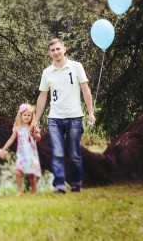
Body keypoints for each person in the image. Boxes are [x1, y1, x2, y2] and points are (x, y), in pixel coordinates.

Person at [31, 38, 95, 194]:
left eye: (58, 49)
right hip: (54, 119)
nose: (56, 52)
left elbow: (86, 91)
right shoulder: (47, 72)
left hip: (74, 117)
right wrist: (36, 120)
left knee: (74, 154)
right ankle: (59, 185)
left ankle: (76, 183)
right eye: (52, 50)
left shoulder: (76, 67)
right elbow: (42, 97)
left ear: (64, 49)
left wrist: (90, 113)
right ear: (49, 53)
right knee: (57, 153)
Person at [2, 104, 42, 196]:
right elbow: (11, 139)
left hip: (31, 154)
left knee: (31, 174)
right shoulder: (17, 127)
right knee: (17, 172)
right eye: (25, 115)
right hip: (21, 154)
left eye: (29, 115)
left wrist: (34, 134)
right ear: (20, 115)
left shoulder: (33, 126)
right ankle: (20, 192)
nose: (27, 117)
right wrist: (4, 148)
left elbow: (39, 138)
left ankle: (33, 192)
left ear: (32, 116)